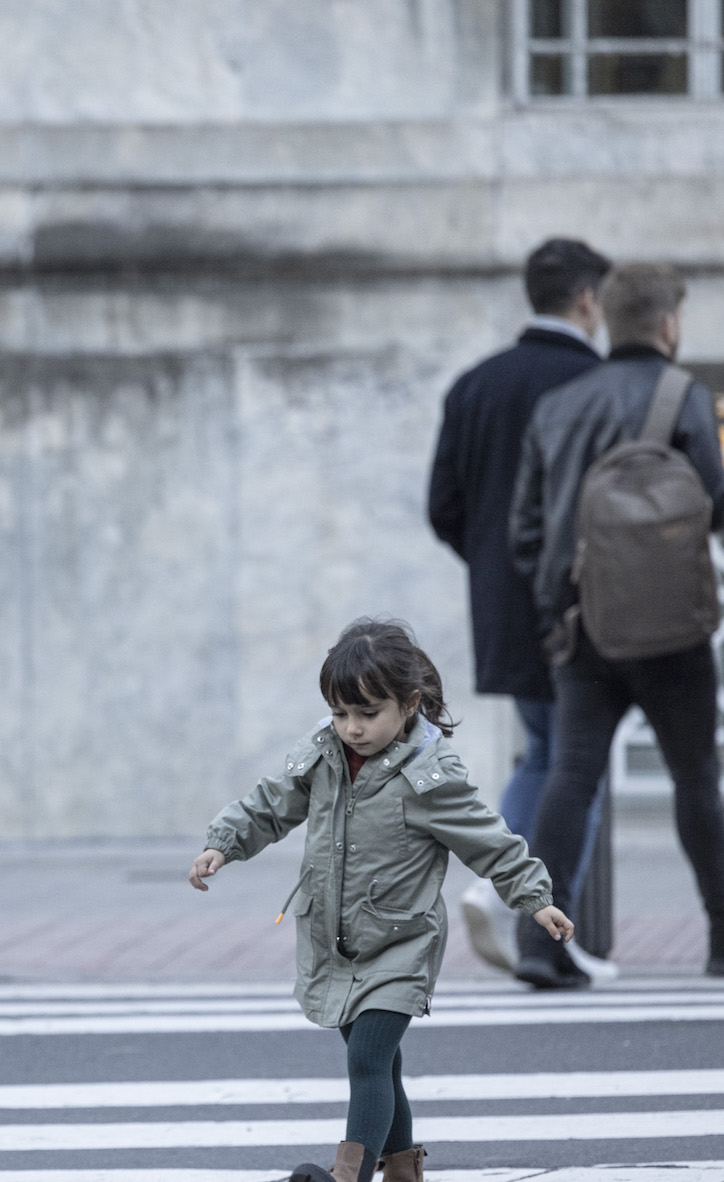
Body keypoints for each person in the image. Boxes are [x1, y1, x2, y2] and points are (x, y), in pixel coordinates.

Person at [190, 619, 570, 1182]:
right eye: (341, 713)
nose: (352, 728)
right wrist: (222, 844)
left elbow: (486, 836)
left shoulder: (428, 777)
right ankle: (402, 1174)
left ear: (410, 704)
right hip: (335, 943)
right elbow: (269, 804)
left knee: (367, 1058)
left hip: (401, 943)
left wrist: (533, 897)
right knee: (382, 1069)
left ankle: (349, 1177)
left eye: (368, 714)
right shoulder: (322, 756)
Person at [510, 261, 724, 990]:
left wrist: (555, 612)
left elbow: (525, 531)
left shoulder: (561, 404)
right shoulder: (687, 400)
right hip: (675, 633)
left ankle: (539, 942)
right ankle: (722, 938)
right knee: (697, 779)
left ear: (608, 317)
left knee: (570, 776)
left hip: (585, 630)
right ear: (667, 325)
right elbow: (715, 505)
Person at [426, 238, 614, 977]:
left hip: (504, 604)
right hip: (579, 602)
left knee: (545, 751)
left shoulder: (476, 385)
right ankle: (533, 917)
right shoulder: (598, 382)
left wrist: (496, 570)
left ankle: (495, 887)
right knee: (576, 763)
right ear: (587, 301)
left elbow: (443, 507)